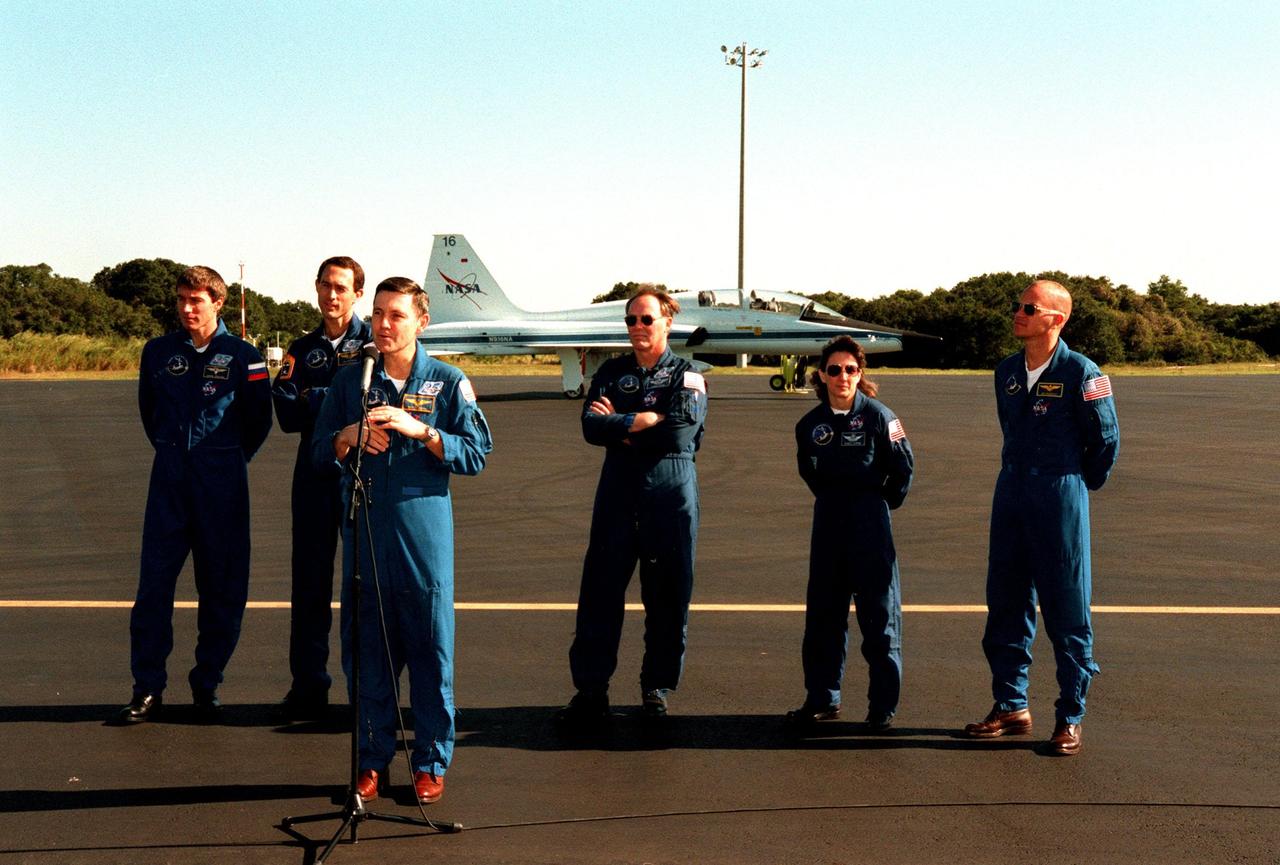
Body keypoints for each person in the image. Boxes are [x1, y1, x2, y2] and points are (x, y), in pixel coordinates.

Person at [312, 276, 491, 805]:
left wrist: (422, 431)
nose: (386, 325)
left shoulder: (448, 379)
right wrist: (347, 438)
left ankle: (430, 763)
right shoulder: (352, 381)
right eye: (380, 314)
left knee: (431, 652)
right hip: (366, 530)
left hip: (422, 535)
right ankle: (371, 761)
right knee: (368, 653)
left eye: (398, 315)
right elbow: (320, 450)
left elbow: (477, 452)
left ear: (421, 322)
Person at [962, 279, 1120, 756]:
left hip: (1059, 492)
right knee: (1005, 601)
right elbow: (1011, 428)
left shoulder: (1083, 373)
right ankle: (1010, 705)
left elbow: (1106, 441)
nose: (1019, 313)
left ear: (1057, 319)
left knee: (1067, 608)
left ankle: (1070, 717)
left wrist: (1074, 484)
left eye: (1029, 307)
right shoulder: (1006, 372)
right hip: (1011, 490)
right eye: (1018, 305)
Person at [116, 265, 273, 724]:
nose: (187, 309)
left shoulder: (245, 355)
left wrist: (223, 459)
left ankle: (207, 684)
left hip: (223, 483)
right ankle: (147, 688)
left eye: (196, 301)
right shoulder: (158, 352)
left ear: (218, 303)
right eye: (182, 299)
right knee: (153, 589)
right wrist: (173, 453)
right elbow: (150, 412)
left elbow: (258, 422)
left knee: (222, 590)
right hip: (168, 481)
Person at [557, 286, 708, 725]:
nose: (638, 328)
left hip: (670, 493)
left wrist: (618, 427)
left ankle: (656, 688)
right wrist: (638, 421)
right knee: (599, 594)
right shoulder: (611, 374)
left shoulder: (689, 375)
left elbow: (679, 433)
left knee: (667, 596)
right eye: (631, 320)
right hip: (618, 494)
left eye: (646, 319)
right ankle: (591, 690)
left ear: (667, 323)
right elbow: (589, 425)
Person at [787, 336, 914, 732]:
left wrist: (876, 505)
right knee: (824, 618)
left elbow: (903, 469)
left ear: (861, 375)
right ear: (822, 375)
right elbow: (809, 471)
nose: (843, 377)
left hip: (870, 523)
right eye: (835, 370)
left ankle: (882, 707)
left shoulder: (881, 417)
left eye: (851, 370)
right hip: (828, 522)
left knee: (879, 618)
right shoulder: (809, 425)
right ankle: (823, 699)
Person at [271, 256, 371, 720]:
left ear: (357, 294)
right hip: (313, 474)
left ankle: (363, 689)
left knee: (361, 585)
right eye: (326, 286)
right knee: (309, 585)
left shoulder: (374, 343)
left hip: (362, 475)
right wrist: (333, 398)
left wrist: (317, 396)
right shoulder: (301, 346)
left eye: (342, 288)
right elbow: (287, 413)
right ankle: (308, 684)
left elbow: (372, 406)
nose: (332, 295)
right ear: (316, 288)